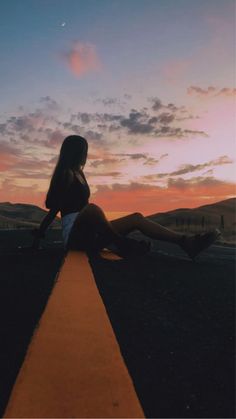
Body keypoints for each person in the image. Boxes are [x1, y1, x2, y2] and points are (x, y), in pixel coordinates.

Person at [31, 135, 220, 259]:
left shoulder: (81, 174)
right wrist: (39, 234)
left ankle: (186, 243)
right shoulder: (67, 174)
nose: (85, 155)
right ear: (75, 153)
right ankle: (124, 245)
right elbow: (54, 208)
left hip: (91, 235)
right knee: (92, 209)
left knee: (136, 217)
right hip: (74, 238)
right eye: (83, 151)